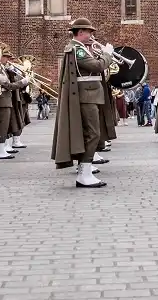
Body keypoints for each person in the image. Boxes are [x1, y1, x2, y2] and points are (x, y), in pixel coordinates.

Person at [51, 18, 112, 187]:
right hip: (87, 96)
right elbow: (97, 66)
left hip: (90, 95)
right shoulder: (78, 50)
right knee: (93, 134)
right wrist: (108, 54)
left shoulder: (82, 49)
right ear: (80, 32)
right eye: (89, 32)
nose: (91, 35)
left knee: (91, 133)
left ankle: (85, 170)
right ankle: (84, 174)